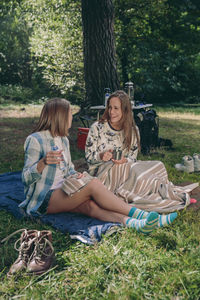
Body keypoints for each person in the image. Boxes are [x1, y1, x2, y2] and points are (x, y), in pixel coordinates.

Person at [19, 97, 172, 236]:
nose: (71, 117)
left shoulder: (63, 139)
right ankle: (143, 215)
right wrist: (42, 163)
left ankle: (137, 224)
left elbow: (68, 169)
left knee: (91, 207)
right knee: (93, 184)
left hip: (64, 189)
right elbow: (26, 178)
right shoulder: (35, 140)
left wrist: (75, 174)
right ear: (59, 116)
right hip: (44, 199)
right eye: (69, 114)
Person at [85, 90, 196, 215]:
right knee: (136, 172)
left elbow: (133, 158)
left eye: (116, 108)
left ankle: (167, 193)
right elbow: (89, 157)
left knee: (157, 165)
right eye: (110, 107)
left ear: (125, 110)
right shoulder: (97, 127)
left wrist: (125, 160)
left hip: (125, 167)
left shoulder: (132, 130)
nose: (111, 112)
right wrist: (101, 156)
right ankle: (164, 197)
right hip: (103, 173)